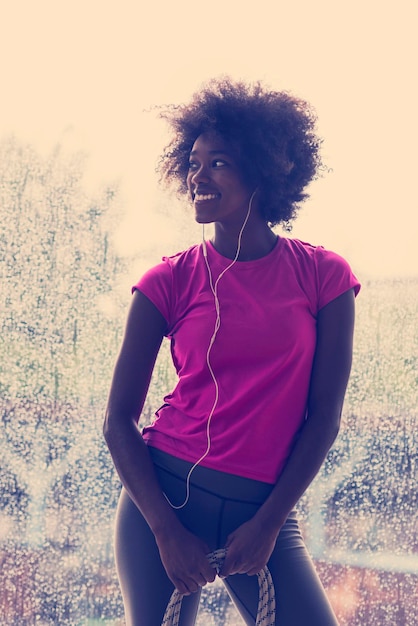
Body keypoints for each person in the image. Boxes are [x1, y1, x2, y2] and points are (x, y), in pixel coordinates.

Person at [104, 78, 360, 626]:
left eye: (217, 162)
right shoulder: (166, 282)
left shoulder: (325, 277)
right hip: (163, 503)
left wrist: (269, 524)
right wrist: (166, 532)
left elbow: (324, 419)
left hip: (265, 510)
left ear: (264, 171)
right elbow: (117, 422)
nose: (198, 176)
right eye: (193, 163)